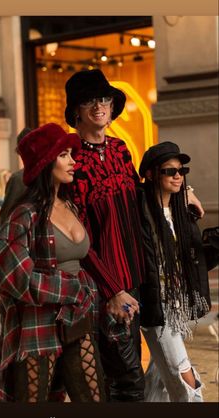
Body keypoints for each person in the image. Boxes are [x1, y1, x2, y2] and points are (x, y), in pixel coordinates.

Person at [64, 69, 204, 402]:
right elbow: (79, 238)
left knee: (164, 366)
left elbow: (144, 197)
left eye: (104, 99)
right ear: (76, 111)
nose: (99, 106)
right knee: (126, 383)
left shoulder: (121, 150)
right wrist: (112, 290)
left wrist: (186, 195)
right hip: (110, 288)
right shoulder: (73, 162)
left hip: (145, 276)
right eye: (89, 101)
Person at [0, 123, 106, 402]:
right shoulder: (25, 214)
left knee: (95, 398)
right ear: (45, 162)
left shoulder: (72, 206)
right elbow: (6, 272)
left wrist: (88, 291)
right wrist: (69, 289)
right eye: (64, 155)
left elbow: (84, 261)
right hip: (37, 325)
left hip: (76, 316)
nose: (72, 161)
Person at [136, 141, 211, 402]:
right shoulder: (139, 210)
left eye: (181, 170)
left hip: (176, 306)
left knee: (158, 386)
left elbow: (191, 257)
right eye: (169, 171)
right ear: (151, 174)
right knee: (186, 382)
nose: (178, 176)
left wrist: (189, 194)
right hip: (155, 306)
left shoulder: (180, 212)